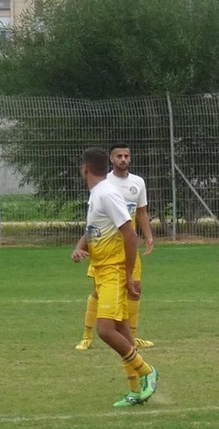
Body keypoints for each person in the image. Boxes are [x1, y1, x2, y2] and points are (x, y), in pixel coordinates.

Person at [71, 147, 159, 408]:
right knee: (122, 331)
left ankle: (147, 371)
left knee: (106, 330)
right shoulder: (99, 194)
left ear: (85, 169)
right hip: (102, 270)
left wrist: (128, 274)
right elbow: (96, 230)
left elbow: (130, 234)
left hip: (114, 271)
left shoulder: (106, 194)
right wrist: (81, 248)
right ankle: (135, 390)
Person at [76, 142, 155, 351]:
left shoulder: (136, 183)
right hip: (106, 252)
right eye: (119, 156)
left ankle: (132, 341)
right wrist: (81, 245)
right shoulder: (103, 186)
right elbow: (94, 224)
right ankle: (87, 335)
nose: (123, 159)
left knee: (133, 290)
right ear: (110, 159)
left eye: (126, 156)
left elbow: (141, 213)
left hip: (124, 250)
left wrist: (148, 236)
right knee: (100, 295)